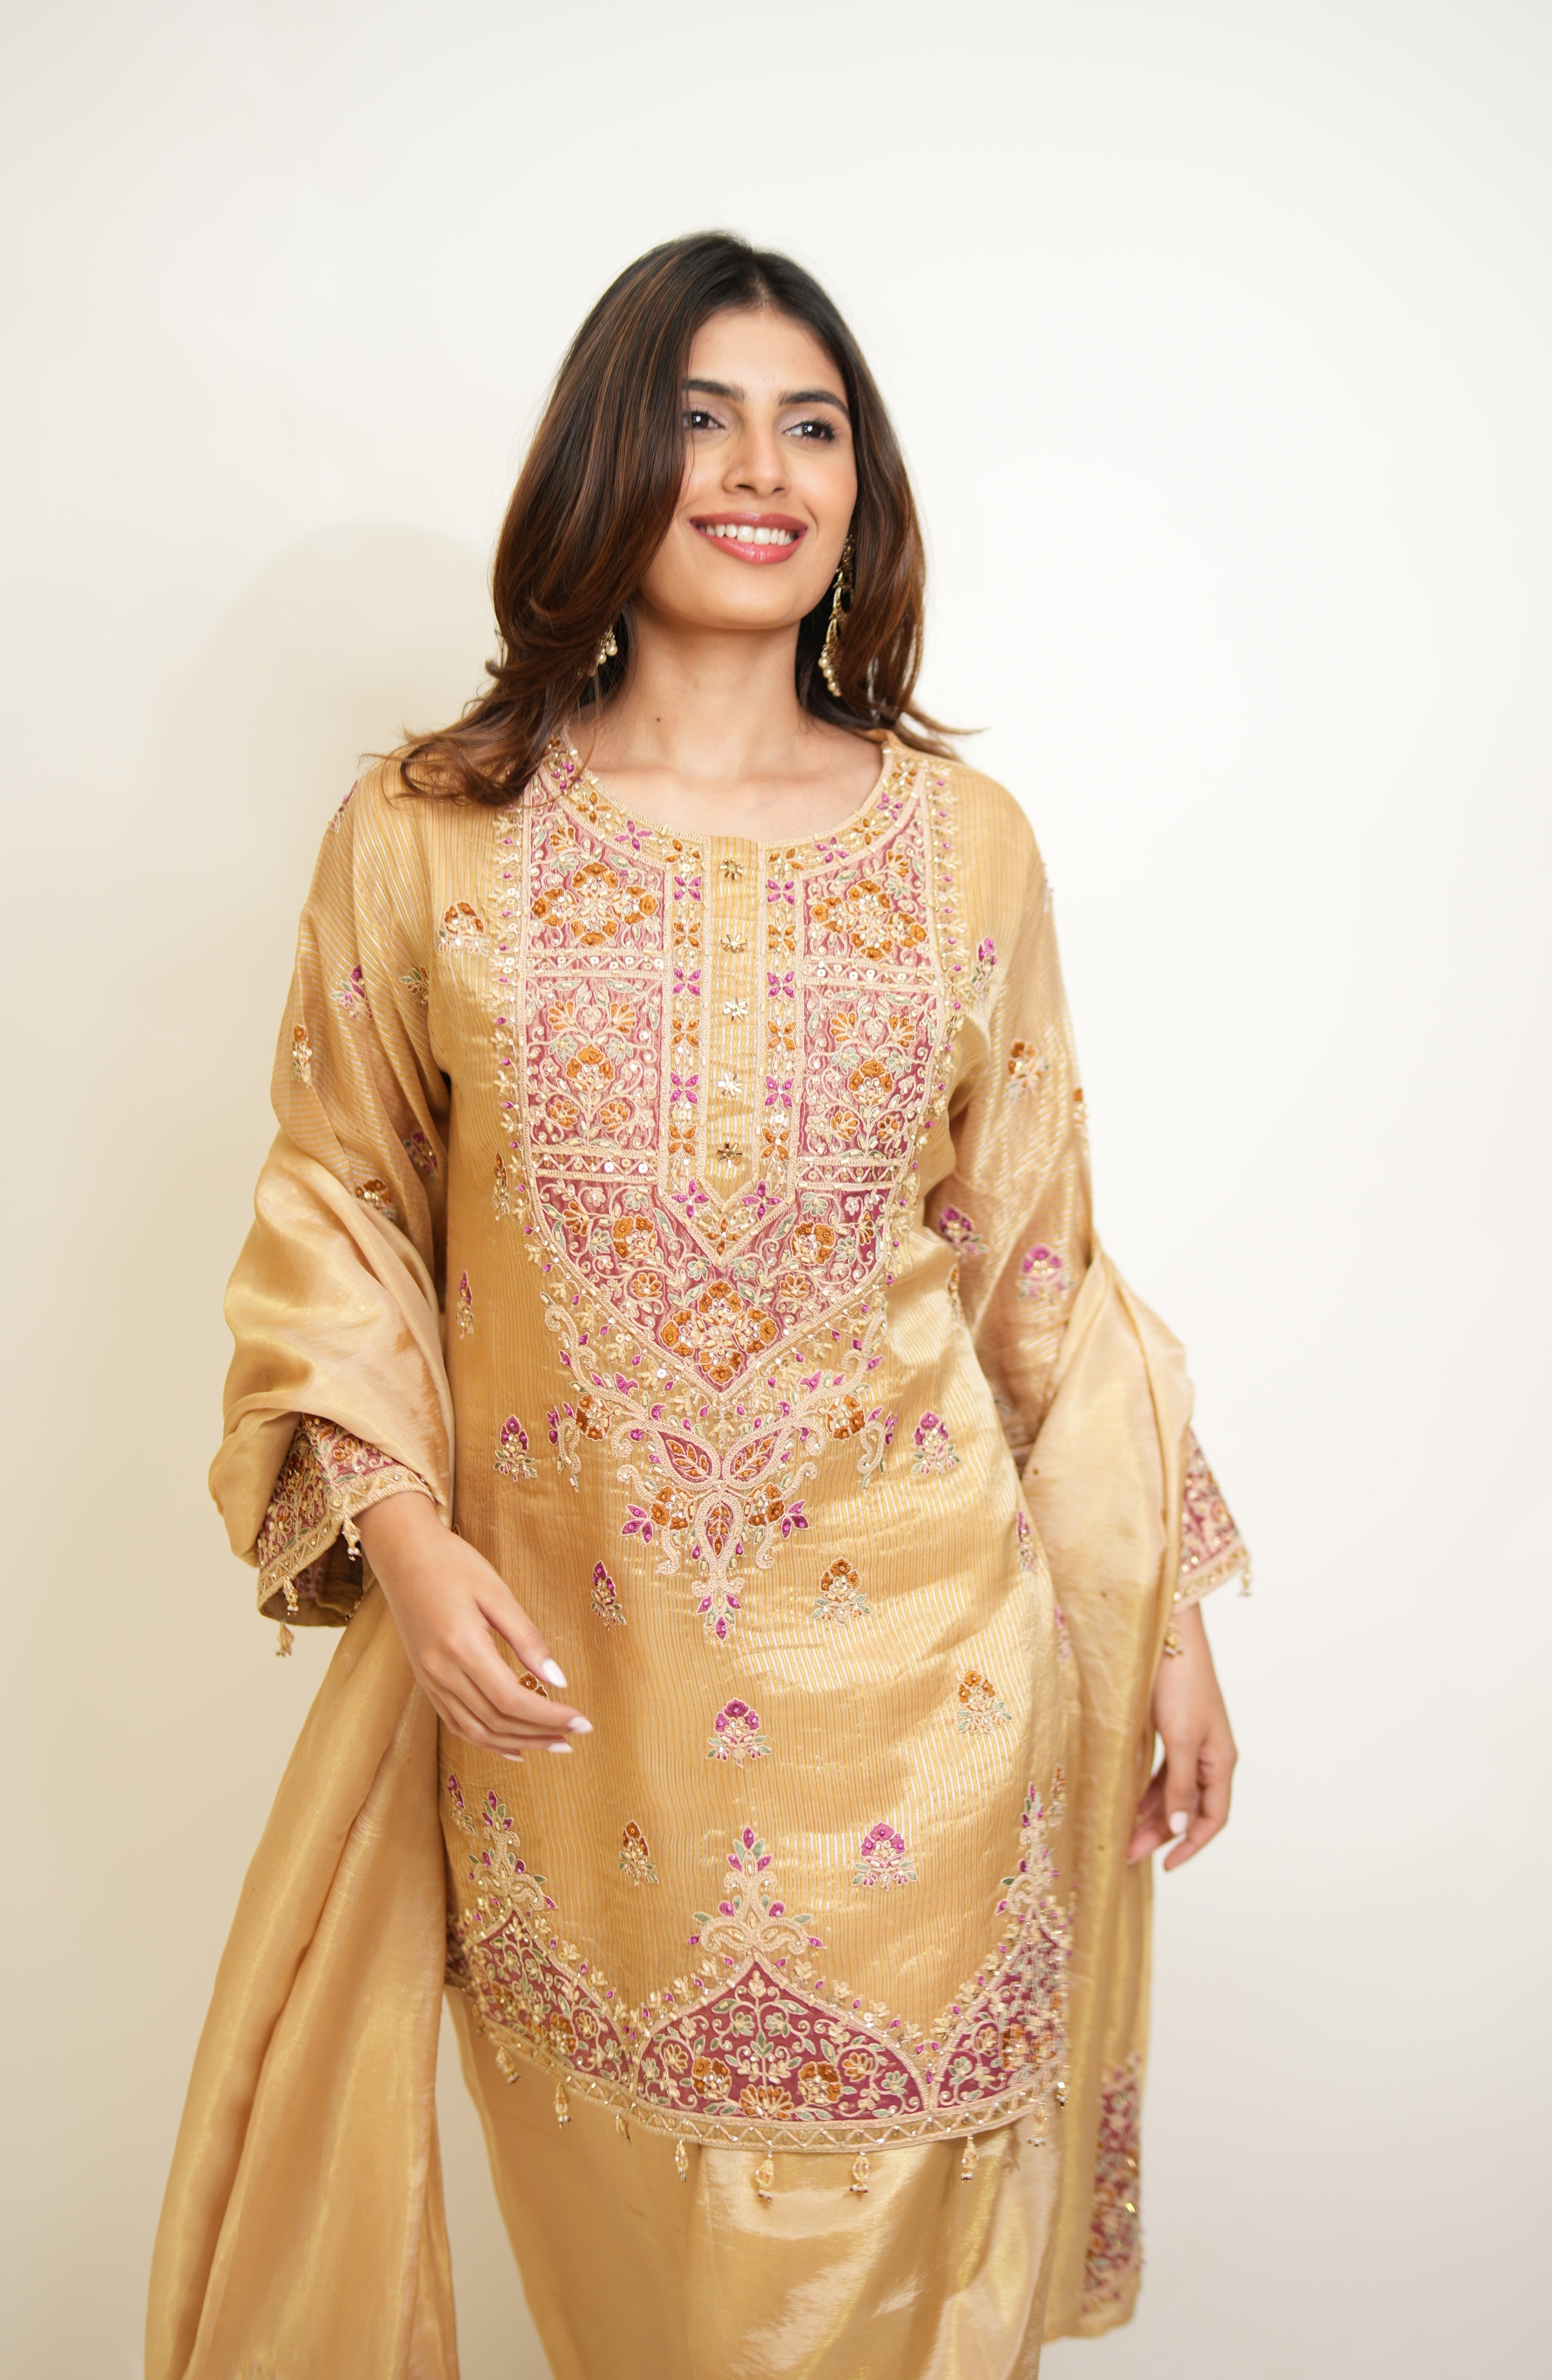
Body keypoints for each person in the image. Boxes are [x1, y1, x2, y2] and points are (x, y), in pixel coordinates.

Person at [148, 232, 1247, 2380]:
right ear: (599, 471)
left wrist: (1177, 1616)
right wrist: (399, 1524)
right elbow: (340, 1206)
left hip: (936, 1719)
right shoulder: (427, 842)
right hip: (585, 1735)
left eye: (811, 422)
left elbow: (1040, 1264)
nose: (762, 468)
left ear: (863, 487)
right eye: (697, 418)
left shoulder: (966, 849)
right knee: (647, 2319)